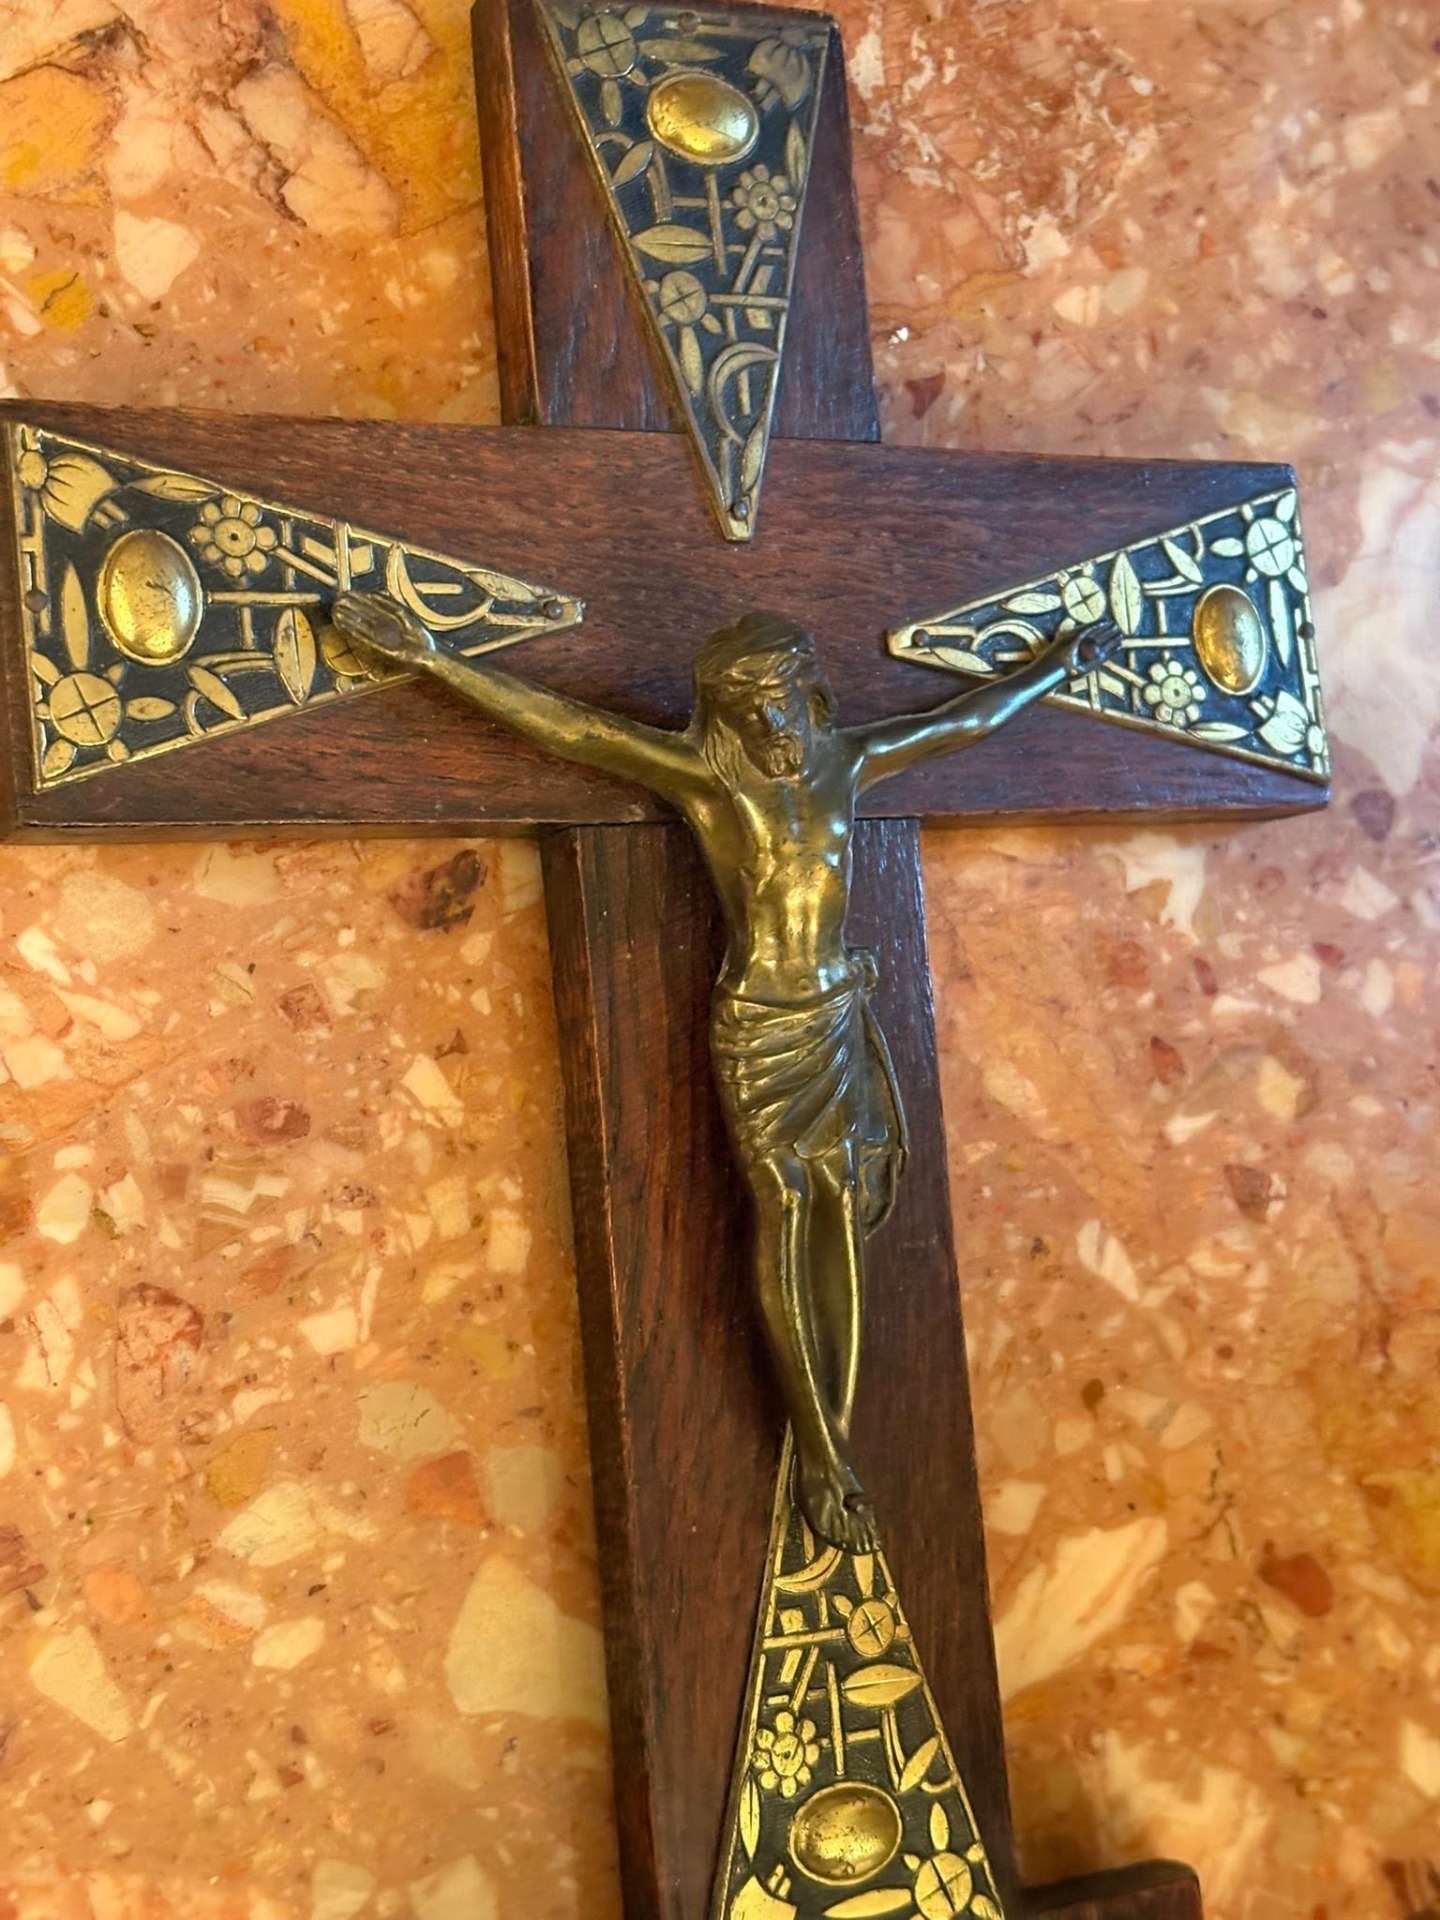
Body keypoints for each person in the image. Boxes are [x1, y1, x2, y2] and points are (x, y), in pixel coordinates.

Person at [331, 592, 1119, 1549]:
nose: (773, 726)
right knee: (786, 1204)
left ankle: (837, 1432)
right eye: (751, 713)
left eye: (783, 704)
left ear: (810, 698)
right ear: (725, 719)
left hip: (834, 1013)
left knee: (843, 1202)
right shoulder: (708, 782)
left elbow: (959, 723)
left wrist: (1054, 669)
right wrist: (435, 659)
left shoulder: (846, 763)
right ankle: (820, 1453)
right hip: (761, 1024)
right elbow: (576, 730)